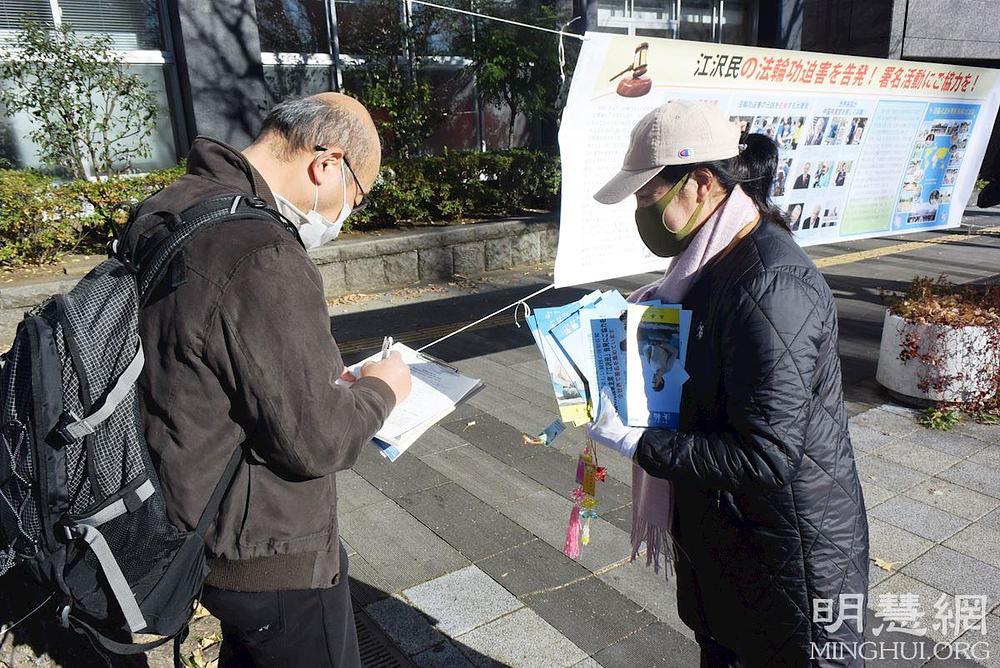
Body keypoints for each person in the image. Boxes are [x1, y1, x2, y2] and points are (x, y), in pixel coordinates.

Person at [122, 93, 413, 667]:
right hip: (265, 548)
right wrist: (384, 388)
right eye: (353, 197)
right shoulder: (261, 252)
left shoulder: (173, 206)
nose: (344, 215)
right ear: (325, 164)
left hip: (189, 514)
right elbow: (320, 440)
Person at [590, 100, 868, 666]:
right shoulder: (707, 263)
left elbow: (766, 458)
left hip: (792, 567)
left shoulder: (771, 284)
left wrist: (641, 443)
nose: (642, 212)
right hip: (730, 555)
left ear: (701, 182)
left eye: (648, 196)